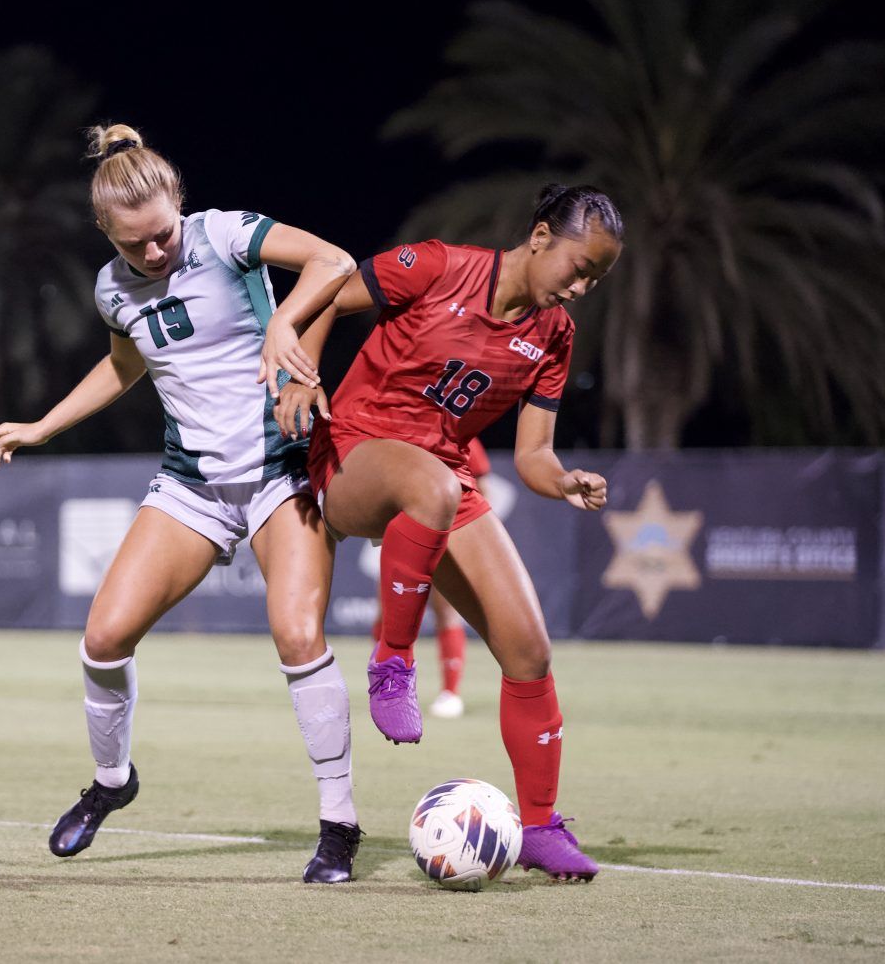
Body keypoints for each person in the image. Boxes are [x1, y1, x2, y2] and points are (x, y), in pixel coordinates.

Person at [0, 123, 363, 883]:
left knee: (295, 634)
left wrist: (284, 324)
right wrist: (42, 425)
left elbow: (336, 262)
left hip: (278, 466)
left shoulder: (222, 235)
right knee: (102, 639)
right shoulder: (110, 288)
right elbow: (125, 366)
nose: (154, 254)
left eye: (161, 236)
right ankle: (113, 782)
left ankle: (339, 825)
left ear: (178, 204)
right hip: (190, 482)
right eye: (135, 246)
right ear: (106, 233)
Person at [265, 184, 623, 881]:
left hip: (443, 478)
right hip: (354, 456)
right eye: (579, 266)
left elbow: (532, 455)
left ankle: (541, 826)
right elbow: (332, 291)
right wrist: (300, 378)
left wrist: (564, 481)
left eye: (596, 278)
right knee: (430, 482)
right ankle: (392, 660)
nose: (582, 286)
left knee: (529, 648)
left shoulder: (554, 333)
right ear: (541, 236)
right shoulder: (435, 265)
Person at [367, 436, 494, 719]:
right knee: (386, 611)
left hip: (447, 534)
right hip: (403, 533)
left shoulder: (462, 434)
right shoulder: (400, 433)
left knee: (446, 612)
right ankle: (385, 683)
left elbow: (482, 487)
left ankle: (450, 692)